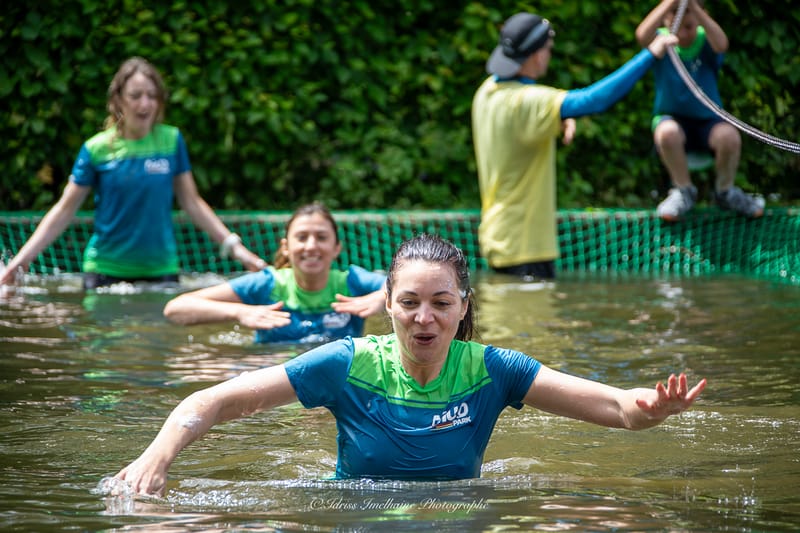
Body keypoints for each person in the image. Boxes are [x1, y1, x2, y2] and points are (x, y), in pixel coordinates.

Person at [113, 233, 706, 496]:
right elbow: (211, 400)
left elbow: (617, 408)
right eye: (411, 303)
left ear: (463, 308)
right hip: (354, 511)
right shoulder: (345, 363)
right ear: (388, 307)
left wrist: (651, 408)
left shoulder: (494, 369)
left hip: (461, 515)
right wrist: (152, 460)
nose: (425, 319)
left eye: (441, 304)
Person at [0, 56, 266, 290]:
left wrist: (239, 251)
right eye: (136, 95)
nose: (145, 103)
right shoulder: (97, 149)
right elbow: (64, 210)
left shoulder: (171, 141)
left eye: (152, 95)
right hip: (104, 273)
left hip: (161, 270)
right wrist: (19, 263)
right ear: (117, 100)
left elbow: (192, 203)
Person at [472, 12, 678, 280]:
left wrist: (560, 118)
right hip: (527, 246)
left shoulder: (486, 92)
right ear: (536, 55)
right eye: (548, 50)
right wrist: (650, 54)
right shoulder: (526, 102)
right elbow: (594, 100)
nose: (549, 55)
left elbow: (519, 125)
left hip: (497, 237)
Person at [162, 202, 387, 344]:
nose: (310, 246)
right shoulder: (267, 284)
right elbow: (175, 308)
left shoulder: (352, 282)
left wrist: (384, 296)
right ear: (286, 247)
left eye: (321, 237)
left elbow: (413, 284)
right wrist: (240, 312)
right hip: (273, 372)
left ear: (337, 248)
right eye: (301, 237)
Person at [636, 0, 764, 221]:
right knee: (667, 132)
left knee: (730, 136)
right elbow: (641, 35)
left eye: (689, 27)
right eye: (679, 26)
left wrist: (693, 6)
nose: (684, 34)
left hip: (708, 123)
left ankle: (726, 192)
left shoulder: (706, 39)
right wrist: (670, 3)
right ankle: (683, 191)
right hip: (673, 121)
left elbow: (722, 44)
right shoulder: (661, 41)